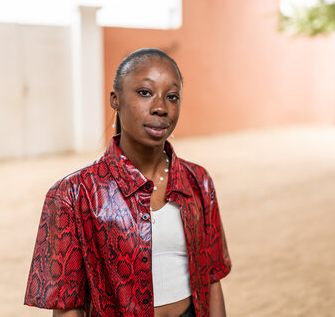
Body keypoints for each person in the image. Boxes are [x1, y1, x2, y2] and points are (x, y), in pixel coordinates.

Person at [24, 48, 231, 317]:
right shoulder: (73, 194)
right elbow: (67, 306)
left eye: (172, 96)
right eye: (145, 92)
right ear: (115, 99)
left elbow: (212, 278)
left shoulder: (197, 181)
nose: (161, 107)